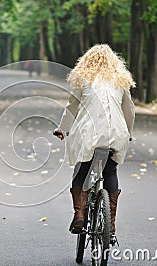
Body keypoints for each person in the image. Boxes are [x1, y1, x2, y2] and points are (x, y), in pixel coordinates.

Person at [54, 44, 135, 246]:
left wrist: (62, 129)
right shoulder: (120, 81)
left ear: (87, 61)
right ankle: (112, 226)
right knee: (110, 172)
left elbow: (72, 106)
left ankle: (79, 215)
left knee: (81, 172)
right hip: (116, 134)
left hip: (89, 134)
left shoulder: (83, 79)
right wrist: (128, 133)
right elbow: (129, 110)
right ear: (115, 63)